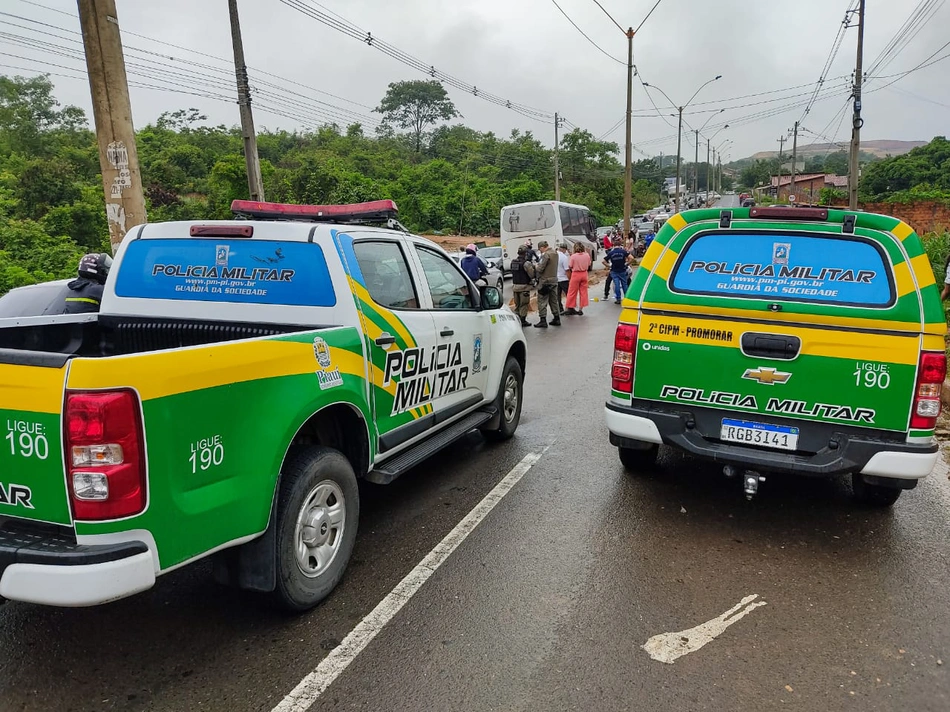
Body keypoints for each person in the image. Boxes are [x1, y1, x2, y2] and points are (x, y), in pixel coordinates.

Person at [533, 240, 561, 328]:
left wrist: (536, 266)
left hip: (545, 281)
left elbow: (540, 269)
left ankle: (543, 320)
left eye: (540, 249)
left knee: (542, 301)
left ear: (542, 247)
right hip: (554, 280)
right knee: (553, 300)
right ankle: (556, 318)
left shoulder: (546, 255)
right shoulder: (555, 253)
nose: (540, 251)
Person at [563, 242, 592, 316]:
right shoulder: (587, 255)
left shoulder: (573, 256)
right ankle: (580, 309)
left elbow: (570, 265)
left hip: (576, 274)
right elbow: (589, 264)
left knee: (572, 292)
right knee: (583, 292)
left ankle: (568, 307)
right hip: (584, 274)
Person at [510, 245, 535, 327]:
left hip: (515, 287)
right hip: (524, 287)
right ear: (526, 253)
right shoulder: (526, 263)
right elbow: (532, 274)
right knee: (524, 304)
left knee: (517, 305)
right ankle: (523, 321)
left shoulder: (513, 262)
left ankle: (517, 320)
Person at [604, 240, 632, 305]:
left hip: (614, 271)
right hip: (622, 270)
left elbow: (603, 261)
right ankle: (627, 298)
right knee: (624, 284)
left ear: (614, 246)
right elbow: (631, 258)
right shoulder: (623, 252)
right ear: (620, 245)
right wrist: (627, 264)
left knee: (617, 285)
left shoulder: (611, 253)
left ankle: (618, 299)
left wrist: (609, 266)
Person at [556, 242, 570, 313]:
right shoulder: (564, 257)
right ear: (564, 249)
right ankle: (569, 308)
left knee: (557, 295)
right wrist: (570, 279)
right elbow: (567, 270)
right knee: (569, 294)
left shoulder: (554, 256)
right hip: (564, 279)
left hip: (556, 279)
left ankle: (559, 309)